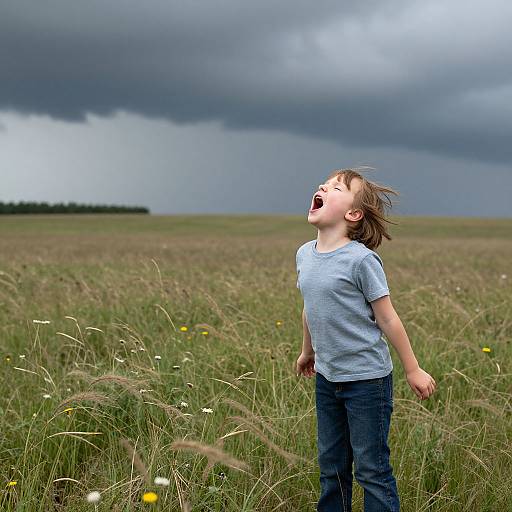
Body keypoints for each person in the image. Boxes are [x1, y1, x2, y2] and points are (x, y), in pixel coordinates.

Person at [295, 167, 437, 512]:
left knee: (371, 469)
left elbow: (387, 317)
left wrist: (413, 369)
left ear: (353, 213)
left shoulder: (361, 260)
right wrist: (306, 351)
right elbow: (310, 308)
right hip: (328, 379)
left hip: (367, 381)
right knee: (331, 467)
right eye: (323, 185)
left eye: (335, 188)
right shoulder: (304, 254)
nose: (322, 187)